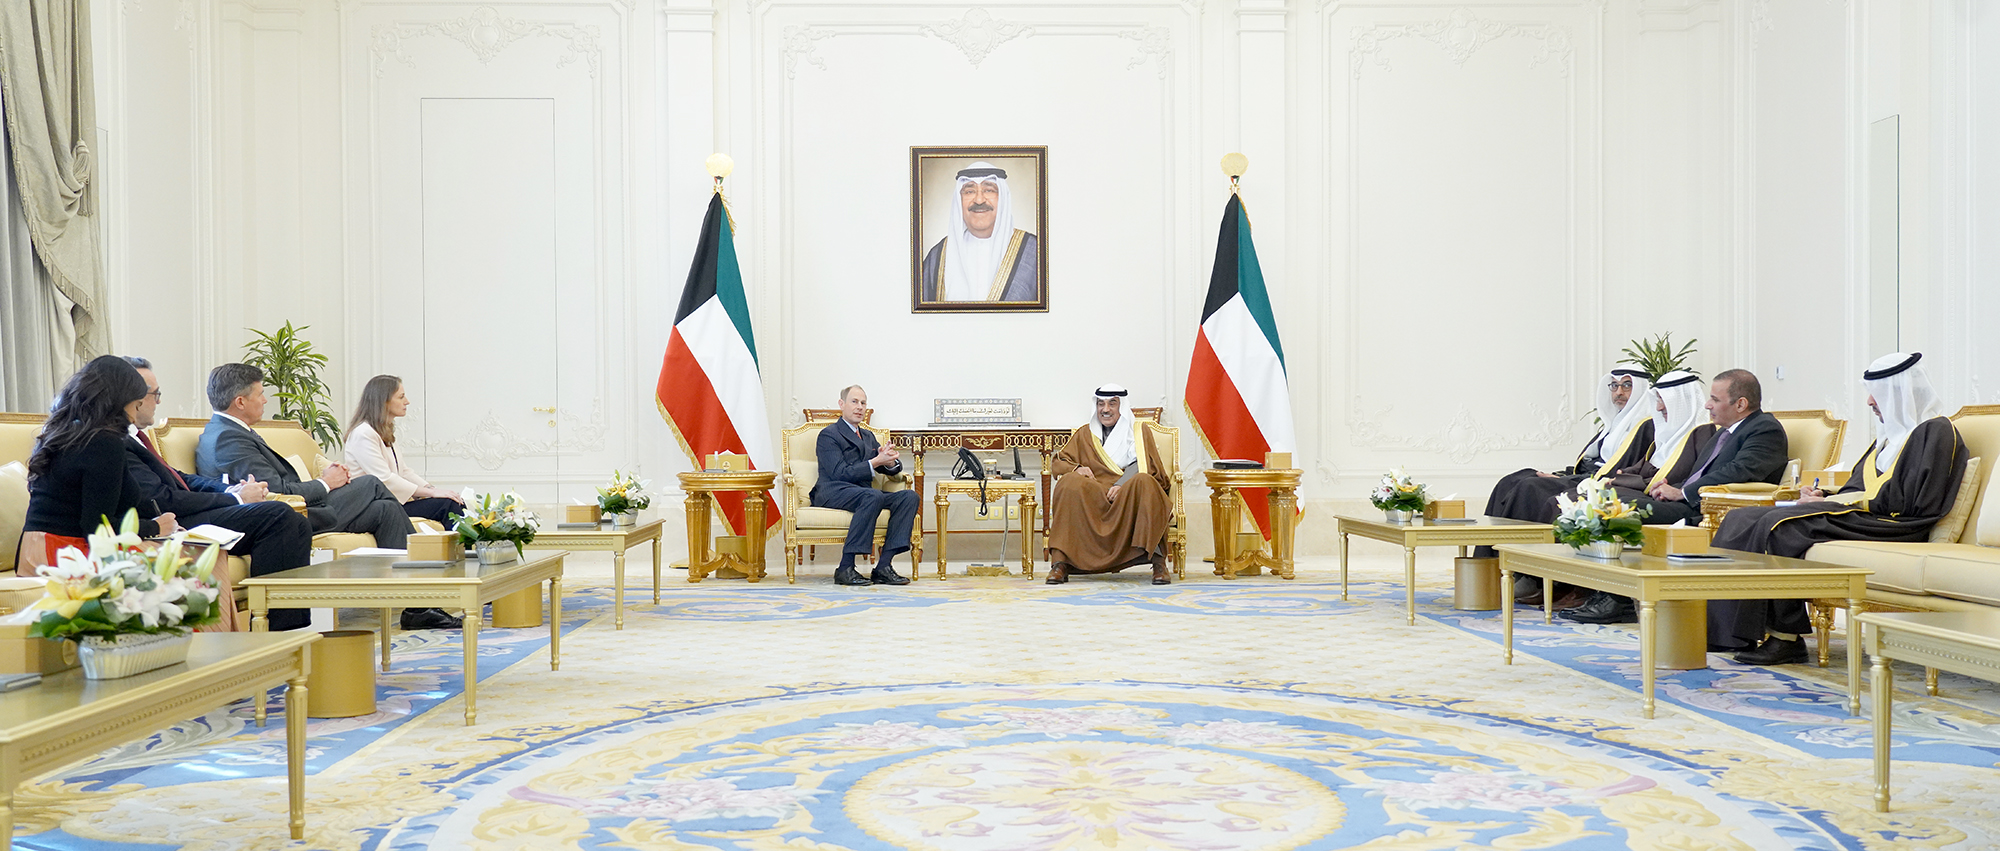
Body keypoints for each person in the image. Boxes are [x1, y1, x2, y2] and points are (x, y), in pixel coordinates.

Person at [1708, 352, 1968, 665]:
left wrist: (1836, 502)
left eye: (1878, 393)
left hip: (1896, 522)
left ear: (1901, 392)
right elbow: (1860, 486)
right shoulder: (1889, 438)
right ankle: (1729, 632)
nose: (1871, 402)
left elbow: (1913, 501)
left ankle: (1786, 638)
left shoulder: (1935, 432)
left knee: (1781, 527)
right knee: (1743, 518)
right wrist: (1825, 494)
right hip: (1866, 513)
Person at [195, 363, 461, 630]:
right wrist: (326, 483)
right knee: (370, 484)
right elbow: (277, 492)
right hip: (290, 517)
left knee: (384, 510)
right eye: (260, 393)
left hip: (301, 507)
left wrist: (326, 482)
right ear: (240, 401)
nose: (265, 399)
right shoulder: (228, 438)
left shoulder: (234, 432)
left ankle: (418, 606)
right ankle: (422, 600)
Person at [1563, 369, 1789, 624]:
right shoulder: (1725, 431)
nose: (1707, 404)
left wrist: (1681, 492)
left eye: (1714, 399)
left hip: (1712, 510)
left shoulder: (1763, 429)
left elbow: (1739, 472)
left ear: (1740, 404)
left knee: (1622, 511)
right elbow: (1702, 473)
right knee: (1608, 504)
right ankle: (1604, 593)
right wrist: (1671, 487)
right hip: (1692, 501)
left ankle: (1617, 601)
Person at [120, 356, 314, 631]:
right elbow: (161, 498)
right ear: (131, 396)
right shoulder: (117, 440)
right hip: (168, 523)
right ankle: (276, 631)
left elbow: (180, 478)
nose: (158, 401)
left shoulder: (135, 436)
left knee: (294, 521)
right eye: (155, 394)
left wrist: (229, 489)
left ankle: (290, 629)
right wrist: (234, 498)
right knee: (278, 515)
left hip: (188, 511)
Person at [1478, 368, 1654, 603]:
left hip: (1600, 483)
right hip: (1584, 476)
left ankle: (1531, 575)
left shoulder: (1646, 425)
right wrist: (1563, 475)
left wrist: (1574, 480)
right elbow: (1592, 460)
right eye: (1614, 386)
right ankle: (1486, 567)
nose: (1618, 392)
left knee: (1530, 487)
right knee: (1513, 480)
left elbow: (1621, 470)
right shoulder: (1614, 423)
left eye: (1626, 386)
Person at [19, 357, 179, 573]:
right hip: (67, 553)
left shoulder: (64, 431)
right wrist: (156, 527)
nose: (134, 415)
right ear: (119, 400)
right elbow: (97, 528)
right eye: (136, 404)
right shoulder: (104, 443)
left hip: (37, 548)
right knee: (193, 557)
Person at [1046, 385, 1174, 585]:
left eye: (1112, 403)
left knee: (1145, 482)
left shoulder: (1140, 431)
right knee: (1069, 483)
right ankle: (1061, 563)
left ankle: (1158, 563)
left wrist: (1123, 484)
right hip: (1094, 493)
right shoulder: (1085, 434)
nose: (1105, 409)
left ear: (1121, 407)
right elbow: (1060, 461)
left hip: (1129, 493)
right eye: (1101, 404)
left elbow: (1147, 464)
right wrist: (1077, 468)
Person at [808, 385, 918, 587]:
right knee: (872, 496)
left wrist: (890, 462)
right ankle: (845, 568)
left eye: (863, 403)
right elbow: (839, 472)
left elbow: (886, 468)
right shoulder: (829, 435)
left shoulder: (867, 436)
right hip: (833, 490)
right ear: (842, 404)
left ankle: (884, 567)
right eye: (854, 402)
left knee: (909, 497)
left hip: (863, 493)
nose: (859, 407)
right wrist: (876, 461)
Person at [344, 375, 466, 524]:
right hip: (374, 508)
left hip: (391, 503)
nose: (407, 402)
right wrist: (432, 493)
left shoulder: (383, 430)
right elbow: (384, 479)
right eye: (401, 397)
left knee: (457, 502)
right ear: (384, 401)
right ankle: (466, 547)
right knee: (449, 506)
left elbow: (404, 471)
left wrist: (431, 489)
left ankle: (472, 547)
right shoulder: (363, 433)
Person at [919, 162, 1040, 303]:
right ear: (959, 201)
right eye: (969, 192)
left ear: (1003, 199)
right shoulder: (938, 256)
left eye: (989, 190)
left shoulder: (1035, 252)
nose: (979, 199)